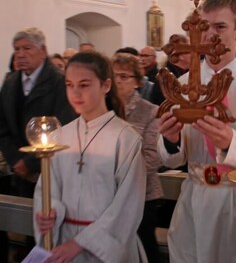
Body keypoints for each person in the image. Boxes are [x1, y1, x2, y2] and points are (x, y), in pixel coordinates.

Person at [157, 0, 236, 263]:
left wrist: (231, 143)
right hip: (195, 199)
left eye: (220, 26)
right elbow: (173, 158)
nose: (210, 35)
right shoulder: (181, 86)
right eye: (205, 26)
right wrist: (170, 139)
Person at [34, 51, 147, 263]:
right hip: (63, 243)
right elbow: (47, 190)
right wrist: (47, 214)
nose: (75, 93)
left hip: (106, 248)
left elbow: (128, 205)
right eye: (69, 84)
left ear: (105, 85)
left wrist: (80, 243)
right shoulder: (59, 136)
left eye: (84, 85)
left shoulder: (125, 138)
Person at [0, 27, 76, 197]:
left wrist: (30, 164)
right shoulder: (10, 83)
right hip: (19, 173)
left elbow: (65, 127)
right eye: (17, 49)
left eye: (27, 48)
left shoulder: (60, 82)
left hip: (51, 171)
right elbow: (2, 126)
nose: (20, 54)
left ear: (43, 51)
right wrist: (16, 161)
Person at [112, 52, 163, 262]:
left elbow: (153, 156)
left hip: (142, 194)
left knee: (144, 248)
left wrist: (117, 174)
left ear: (138, 82)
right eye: (114, 76)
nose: (118, 81)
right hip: (108, 194)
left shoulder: (151, 111)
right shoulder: (103, 110)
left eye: (124, 76)